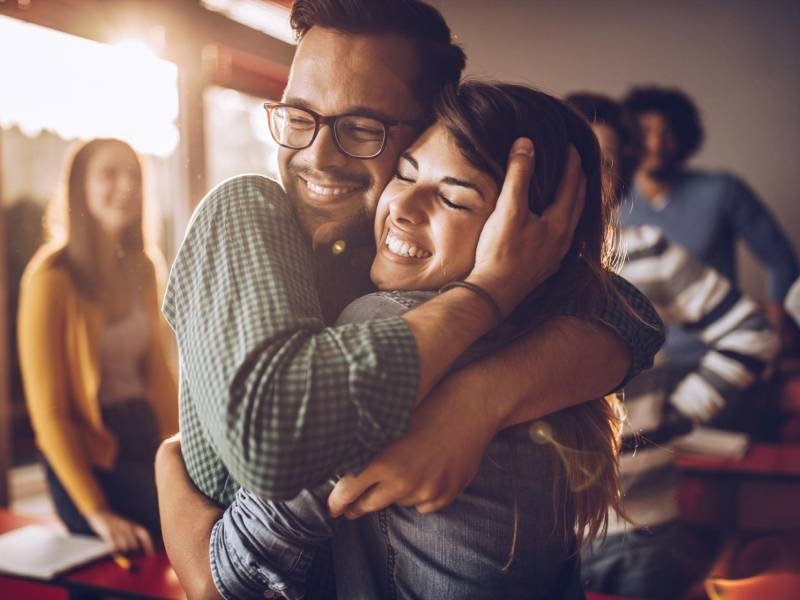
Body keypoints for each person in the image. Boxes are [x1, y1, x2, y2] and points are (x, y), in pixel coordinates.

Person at [156, 1, 664, 597]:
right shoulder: (254, 216)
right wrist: (489, 315)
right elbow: (630, 318)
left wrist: (476, 399)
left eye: (362, 128)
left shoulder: (388, 297)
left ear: (429, 125)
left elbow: (631, 317)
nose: (317, 156)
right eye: (299, 116)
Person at [567, 92, 780, 600]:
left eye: (608, 163)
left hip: (640, 523)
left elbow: (752, 331)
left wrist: (683, 412)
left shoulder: (651, 253)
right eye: (577, 157)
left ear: (626, 175)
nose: (590, 177)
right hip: (541, 533)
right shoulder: (506, 264)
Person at [17, 138, 178, 554]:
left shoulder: (144, 267)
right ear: (79, 187)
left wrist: (187, 456)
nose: (126, 185)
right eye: (110, 173)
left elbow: (159, 375)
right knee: (176, 527)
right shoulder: (50, 278)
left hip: (143, 432)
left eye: (134, 175)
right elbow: (50, 415)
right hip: (86, 457)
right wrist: (98, 512)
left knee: (212, 507)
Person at [621, 85, 798, 364]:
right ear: (629, 137)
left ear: (683, 137)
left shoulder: (722, 190)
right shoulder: (615, 200)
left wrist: (779, 318)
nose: (655, 144)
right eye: (645, 131)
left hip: (717, 352)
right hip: (641, 362)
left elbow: (781, 260)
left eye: (666, 132)